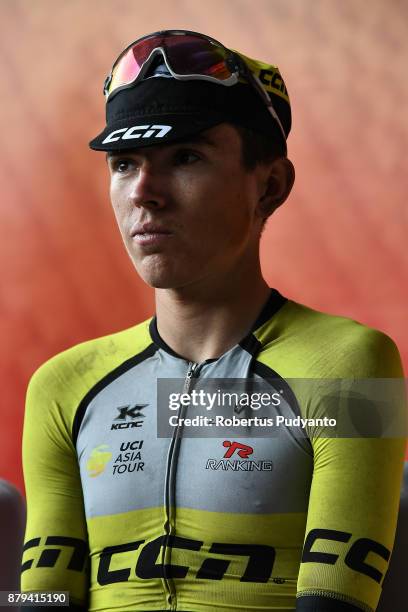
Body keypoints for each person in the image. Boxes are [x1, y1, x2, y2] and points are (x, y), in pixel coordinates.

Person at [21, 30, 406, 612]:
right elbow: (41, 603)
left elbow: (338, 603)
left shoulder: (353, 363)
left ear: (270, 185)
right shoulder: (61, 383)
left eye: (187, 157)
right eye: (124, 164)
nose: (145, 192)